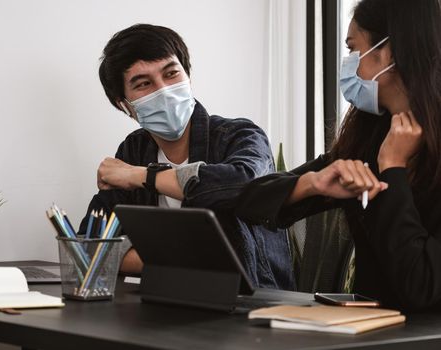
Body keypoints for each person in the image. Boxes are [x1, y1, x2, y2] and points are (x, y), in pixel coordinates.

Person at [236, 0, 441, 310]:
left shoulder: (396, 154)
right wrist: (313, 184)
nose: (348, 64)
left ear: (390, 51)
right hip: (366, 332)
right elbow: (248, 202)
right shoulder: (367, 140)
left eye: (352, 49)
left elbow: (421, 286)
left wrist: (393, 169)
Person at [77, 24, 294, 290]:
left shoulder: (239, 136)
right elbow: (90, 244)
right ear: (124, 104)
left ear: (187, 76)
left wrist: (142, 176)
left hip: (250, 306)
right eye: (144, 84)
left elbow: (243, 187)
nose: (164, 90)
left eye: (171, 74)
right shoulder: (134, 150)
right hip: (171, 301)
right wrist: (170, 261)